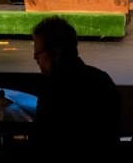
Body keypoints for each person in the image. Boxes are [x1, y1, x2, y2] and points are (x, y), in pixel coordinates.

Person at [32, 15, 120, 150]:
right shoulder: (103, 80)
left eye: (38, 54)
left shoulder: (52, 90)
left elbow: (43, 141)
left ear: (56, 54)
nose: (36, 59)